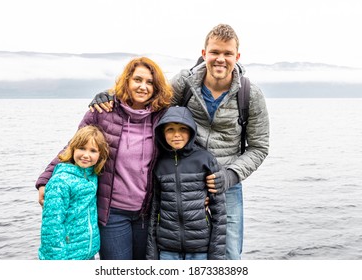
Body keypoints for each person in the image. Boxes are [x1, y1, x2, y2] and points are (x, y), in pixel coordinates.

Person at [89, 24, 270, 260]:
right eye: (215, 52)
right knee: (169, 251)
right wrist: (111, 94)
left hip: (225, 184)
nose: (220, 59)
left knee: (229, 254)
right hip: (179, 178)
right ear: (204, 54)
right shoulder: (185, 83)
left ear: (237, 56)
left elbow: (259, 147)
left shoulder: (250, 95)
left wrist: (230, 176)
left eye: (227, 54)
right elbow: (149, 101)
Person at [36, 57, 173, 259]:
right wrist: (44, 180)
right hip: (112, 213)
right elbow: (74, 146)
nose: (143, 86)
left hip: (146, 212)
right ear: (127, 81)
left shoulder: (161, 116)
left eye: (150, 82)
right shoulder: (103, 111)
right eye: (137, 80)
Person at [146, 106, 226, 260]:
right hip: (168, 248)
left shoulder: (205, 159)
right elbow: (154, 210)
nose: (177, 135)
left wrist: (216, 257)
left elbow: (220, 214)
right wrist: (152, 255)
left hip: (200, 248)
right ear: (162, 133)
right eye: (170, 129)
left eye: (183, 128)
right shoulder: (159, 163)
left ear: (191, 131)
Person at [38, 125, 109, 260]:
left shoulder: (92, 176)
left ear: (100, 155)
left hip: (88, 253)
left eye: (93, 150)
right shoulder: (60, 182)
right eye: (82, 148)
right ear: (73, 149)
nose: (86, 155)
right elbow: (52, 225)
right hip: (66, 255)